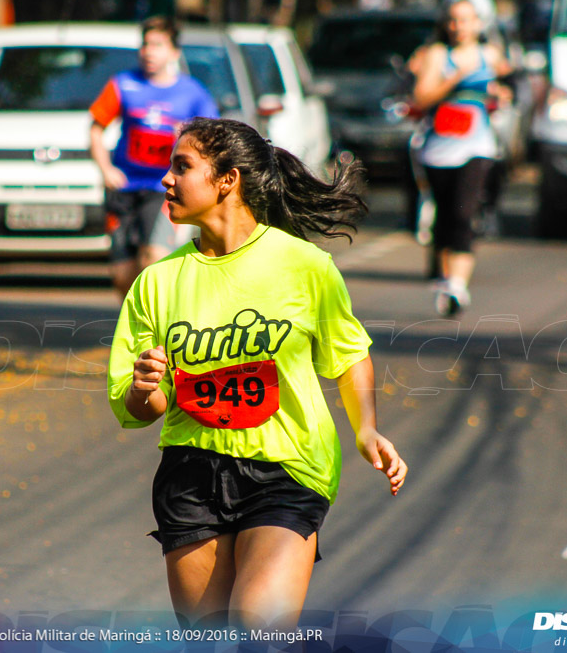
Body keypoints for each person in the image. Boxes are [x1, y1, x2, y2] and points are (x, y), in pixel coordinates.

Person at [107, 118, 407, 630]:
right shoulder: (156, 284)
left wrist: (366, 428)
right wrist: (146, 387)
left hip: (286, 468)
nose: (166, 180)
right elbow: (137, 412)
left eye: (182, 167)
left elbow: (348, 351)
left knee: (260, 626)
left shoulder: (304, 266)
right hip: (192, 473)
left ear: (227, 180)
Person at [89, 15, 219, 298]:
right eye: (145, 44)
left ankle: (158, 332)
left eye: (157, 45)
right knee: (122, 275)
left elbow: (213, 139)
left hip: (164, 190)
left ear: (174, 52)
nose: (149, 51)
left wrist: (187, 136)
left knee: (154, 260)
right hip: (123, 189)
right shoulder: (123, 84)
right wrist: (105, 169)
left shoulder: (193, 92)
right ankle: (136, 329)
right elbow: (96, 129)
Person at [412, 0, 511, 315]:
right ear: (446, 23)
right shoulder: (438, 55)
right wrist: (453, 80)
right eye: (454, 20)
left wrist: (502, 94)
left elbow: (509, 86)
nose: (460, 26)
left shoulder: (492, 55)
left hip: (477, 144)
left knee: (464, 212)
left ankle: (457, 284)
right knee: (444, 216)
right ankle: (445, 278)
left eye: (467, 20)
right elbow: (422, 98)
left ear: (479, 23)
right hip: (440, 147)